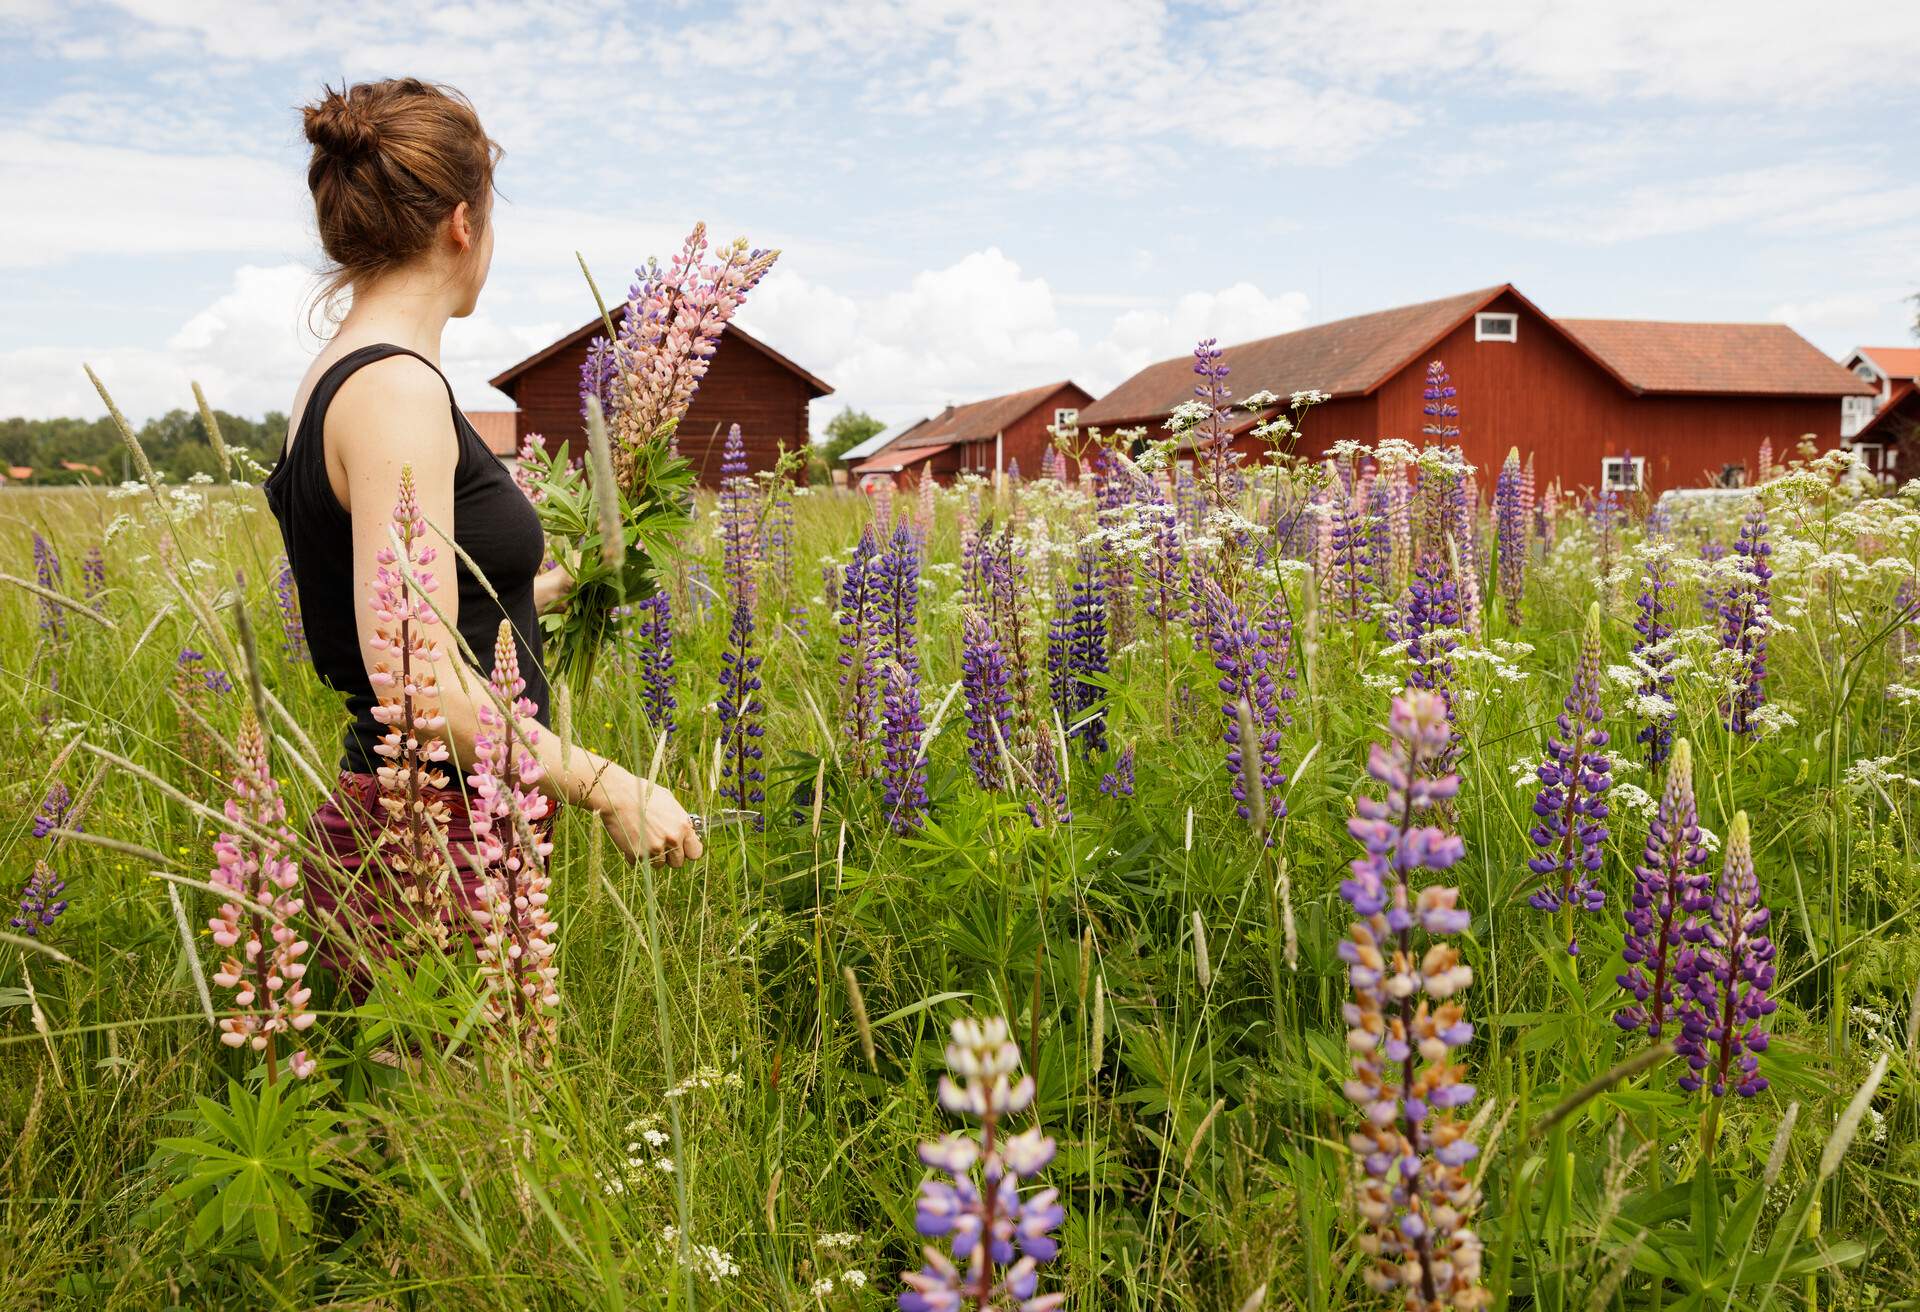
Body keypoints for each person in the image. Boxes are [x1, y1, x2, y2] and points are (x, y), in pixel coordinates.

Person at [266, 78, 701, 980]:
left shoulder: (335, 377)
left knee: (399, 1121)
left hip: (411, 819)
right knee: (472, 1117)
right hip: (438, 835)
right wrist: (613, 785)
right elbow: (420, 683)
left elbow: (420, 607)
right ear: (462, 224)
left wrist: (554, 584)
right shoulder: (394, 391)